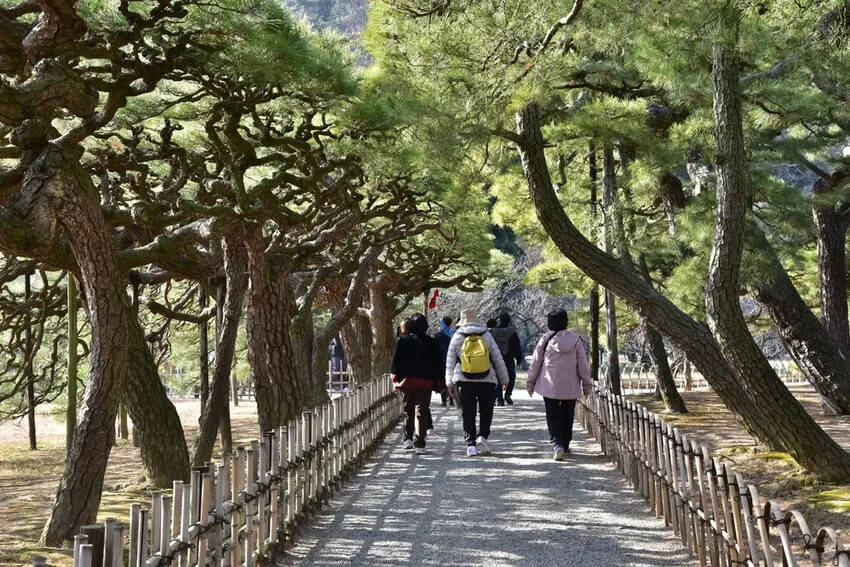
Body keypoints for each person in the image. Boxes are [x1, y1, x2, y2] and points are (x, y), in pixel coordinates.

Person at [526, 308, 592, 461]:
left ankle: (557, 444)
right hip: (570, 384)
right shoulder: (575, 340)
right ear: (566, 322)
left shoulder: (545, 340)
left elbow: (535, 362)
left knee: (553, 414)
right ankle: (566, 444)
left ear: (549, 323)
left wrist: (531, 382)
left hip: (550, 385)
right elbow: (583, 363)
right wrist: (586, 384)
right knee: (568, 414)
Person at [446, 308, 509, 457]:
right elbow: (497, 357)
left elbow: (450, 362)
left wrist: (449, 383)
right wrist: (504, 379)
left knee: (468, 413)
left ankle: (471, 446)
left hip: (464, 381)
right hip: (487, 380)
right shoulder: (486, 335)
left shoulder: (457, 336)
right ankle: (483, 436)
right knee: (486, 410)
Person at [391, 313, 444, 455]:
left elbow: (396, 361)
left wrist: (395, 375)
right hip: (425, 381)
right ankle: (420, 442)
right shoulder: (431, 342)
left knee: (408, 409)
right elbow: (438, 363)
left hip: (407, 380)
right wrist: (440, 380)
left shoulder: (403, 341)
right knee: (422, 411)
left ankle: (407, 438)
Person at [435, 316, 455, 407]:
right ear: (450, 323)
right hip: (452, 359)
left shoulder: (437, 335)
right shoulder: (453, 334)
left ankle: (443, 400)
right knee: (451, 379)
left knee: (442, 379)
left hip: (440, 360)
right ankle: (452, 399)